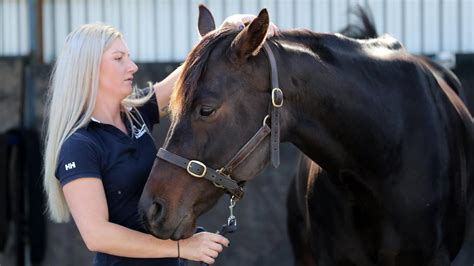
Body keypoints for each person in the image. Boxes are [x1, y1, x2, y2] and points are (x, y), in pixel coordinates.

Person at [42, 12, 279, 266]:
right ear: (88, 70)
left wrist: (222, 32)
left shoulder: (136, 115)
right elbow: (97, 235)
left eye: (129, 57)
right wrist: (182, 248)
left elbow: (187, 72)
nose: (132, 67)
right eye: (119, 59)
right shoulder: (80, 146)